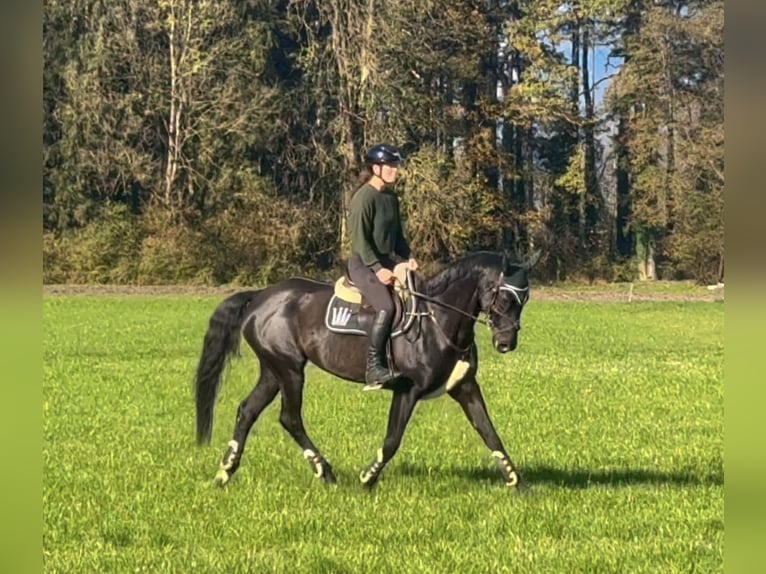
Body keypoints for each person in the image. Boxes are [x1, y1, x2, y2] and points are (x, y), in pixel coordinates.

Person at [347, 144, 419, 390]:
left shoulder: (391, 197)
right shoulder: (364, 198)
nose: (395, 170)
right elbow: (360, 241)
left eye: (395, 166)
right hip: (363, 264)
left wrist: (407, 257)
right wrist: (378, 269)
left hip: (386, 261)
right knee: (386, 307)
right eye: (390, 166)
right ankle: (374, 367)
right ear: (376, 168)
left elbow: (398, 237)